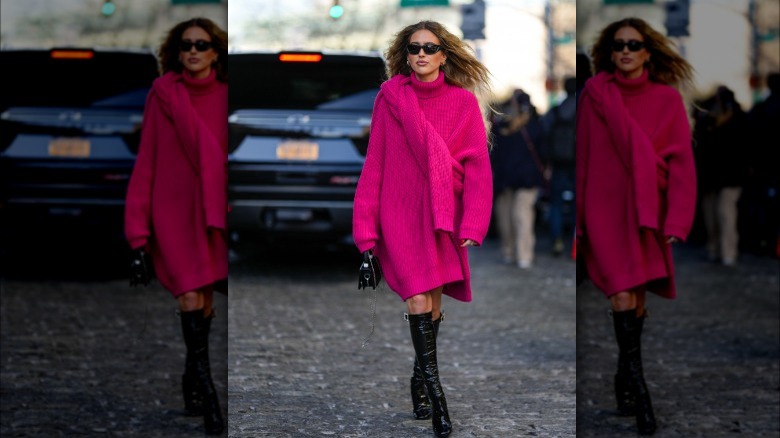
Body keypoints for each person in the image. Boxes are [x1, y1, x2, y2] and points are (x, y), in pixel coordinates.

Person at [352, 20, 494, 438]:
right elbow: (374, 162)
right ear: (405, 54)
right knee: (416, 300)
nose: (421, 55)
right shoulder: (391, 98)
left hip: (442, 216)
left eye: (430, 48)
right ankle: (438, 400)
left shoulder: (464, 103)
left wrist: (472, 222)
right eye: (414, 48)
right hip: (399, 213)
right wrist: (365, 234)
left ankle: (418, 376)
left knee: (431, 306)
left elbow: (478, 168)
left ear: (443, 56)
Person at [576, 17, 696, 435]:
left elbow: (682, 163)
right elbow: (585, 155)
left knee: (637, 301)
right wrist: (578, 221)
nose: (625, 50)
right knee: (622, 296)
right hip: (605, 209)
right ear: (610, 54)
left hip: (649, 211)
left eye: (633, 44)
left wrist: (678, 219)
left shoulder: (665, 100)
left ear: (648, 52)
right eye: (618, 45)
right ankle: (641, 392)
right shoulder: (595, 95)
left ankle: (623, 374)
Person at [124, 17, 228, 435]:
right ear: (176, 50)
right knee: (188, 296)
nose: (193, 51)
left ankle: (191, 377)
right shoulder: (164, 94)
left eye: (202, 44)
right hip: (171, 211)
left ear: (215, 52)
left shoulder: (225, 96)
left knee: (202, 301)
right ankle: (211, 399)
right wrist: (137, 232)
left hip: (211, 211)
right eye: (186, 44)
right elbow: (146, 157)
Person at [491, 89, 549, 268]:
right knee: (520, 214)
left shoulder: (501, 126)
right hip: (526, 176)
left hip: (506, 177)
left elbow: (492, 153)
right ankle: (523, 255)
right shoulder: (535, 126)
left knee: (508, 214)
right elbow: (544, 152)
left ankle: (510, 251)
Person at [692, 86, 749, 266]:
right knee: (713, 215)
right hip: (711, 176)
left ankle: (727, 252)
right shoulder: (706, 120)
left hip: (730, 176)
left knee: (725, 212)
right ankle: (716, 248)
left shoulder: (738, 120)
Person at [543, 76, 577, 256]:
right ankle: (575, 241)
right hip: (577, 162)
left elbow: (544, 134)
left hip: (557, 161)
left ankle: (556, 239)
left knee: (555, 202)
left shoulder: (555, 111)